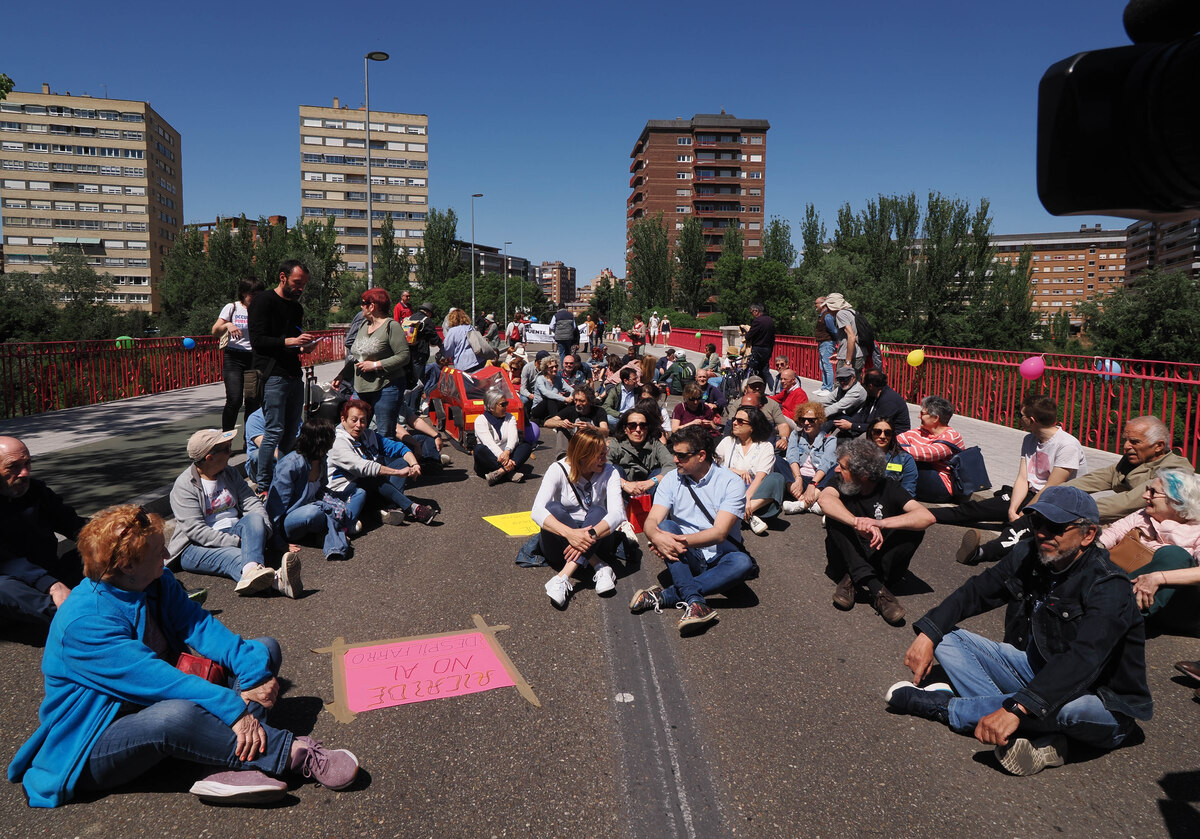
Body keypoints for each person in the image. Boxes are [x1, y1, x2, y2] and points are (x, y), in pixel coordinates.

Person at [7, 504, 359, 808]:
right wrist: (235, 710)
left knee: (262, 651)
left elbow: (201, 627)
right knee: (176, 715)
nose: (166, 556)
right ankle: (290, 755)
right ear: (128, 565)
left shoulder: (156, 581)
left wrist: (252, 672)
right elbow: (158, 681)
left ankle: (224, 765)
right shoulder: (84, 622)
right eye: (158, 551)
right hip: (93, 742)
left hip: (155, 702)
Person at [885, 486, 1151, 777]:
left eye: (1056, 527)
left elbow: (1084, 657)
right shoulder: (1029, 554)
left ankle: (947, 708)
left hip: (1102, 701)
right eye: (1037, 523)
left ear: (1088, 535)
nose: (1042, 532)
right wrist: (928, 635)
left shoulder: (1108, 586)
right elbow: (977, 591)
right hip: (1040, 671)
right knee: (946, 638)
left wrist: (1019, 707)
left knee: (1065, 708)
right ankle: (1031, 730)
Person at [631, 425, 757, 635]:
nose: (675, 460)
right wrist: (656, 536)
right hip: (688, 555)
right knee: (664, 526)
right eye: (674, 454)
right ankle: (695, 602)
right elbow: (652, 520)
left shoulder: (731, 482)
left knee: (741, 563)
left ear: (701, 455)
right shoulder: (672, 479)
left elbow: (719, 533)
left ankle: (666, 596)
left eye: (681, 455)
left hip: (720, 556)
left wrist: (671, 542)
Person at [936, 395, 1086, 550]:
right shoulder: (1030, 439)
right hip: (1030, 494)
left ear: (1031, 420)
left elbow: (1051, 487)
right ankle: (927, 514)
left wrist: (1022, 515)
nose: (1020, 419)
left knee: (1015, 532)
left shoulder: (1067, 445)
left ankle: (981, 552)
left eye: (1021, 416)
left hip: (1054, 502)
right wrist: (1012, 510)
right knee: (977, 509)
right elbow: (1023, 478)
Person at [168, 428, 300, 599]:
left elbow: (251, 502)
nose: (231, 453)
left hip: (235, 530)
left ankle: (259, 574)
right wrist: (239, 542)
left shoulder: (229, 472)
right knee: (237, 556)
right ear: (210, 457)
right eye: (227, 449)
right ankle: (277, 580)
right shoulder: (184, 486)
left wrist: (263, 528)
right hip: (195, 547)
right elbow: (196, 531)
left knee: (254, 518)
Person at [819, 437, 935, 625]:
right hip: (843, 560)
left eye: (843, 467)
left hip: (880, 564)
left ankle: (854, 579)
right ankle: (877, 590)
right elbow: (825, 500)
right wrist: (856, 522)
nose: (837, 469)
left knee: (914, 528)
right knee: (836, 519)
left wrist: (880, 524)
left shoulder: (889, 487)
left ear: (863, 474)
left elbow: (926, 517)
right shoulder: (838, 482)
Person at [533, 427, 624, 608]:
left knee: (599, 511)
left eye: (605, 453)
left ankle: (563, 577)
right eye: (599, 455)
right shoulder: (558, 469)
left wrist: (588, 535)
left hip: (596, 540)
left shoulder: (610, 471)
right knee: (553, 508)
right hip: (561, 545)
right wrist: (570, 534)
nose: (604, 459)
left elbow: (618, 513)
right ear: (582, 455)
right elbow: (536, 511)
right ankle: (599, 565)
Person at [0, 437, 86, 629]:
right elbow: (5, 560)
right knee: (3, 589)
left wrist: (110, 533)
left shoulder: (36, 491)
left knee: (104, 550)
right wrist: (51, 585)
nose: (24, 473)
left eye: (27, 463)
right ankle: (77, 620)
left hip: (50, 572)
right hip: (17, 583)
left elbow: (73, 524)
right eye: (13, 466)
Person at [248, 259, 317, 495]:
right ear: (283, 277)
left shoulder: (296, 308)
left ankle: (284, 477)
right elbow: (257, 341)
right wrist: (291, 342)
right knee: (274, 430)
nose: (301, 288)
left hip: (292, 373)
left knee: (290, 432)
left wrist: (303, 348)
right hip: (271, 374)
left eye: (304, 284)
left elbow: (292, 341)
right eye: (298, 282)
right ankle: (264, 485)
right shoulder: (263, 301)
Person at [1102, 470, 1200, 635]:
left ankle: (1108, 614)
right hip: (1131, 594)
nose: (1145, 496)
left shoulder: (1196, 531)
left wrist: (1157, 577)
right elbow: (1110, 536)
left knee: (1174, 555)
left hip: (1177, 610)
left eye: (1153, 492)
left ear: (1176, 501)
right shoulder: (1142, 515)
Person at [328, 399, 439, 525]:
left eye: (363, 421)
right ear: (343, 420)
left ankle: (388, 507)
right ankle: (413, 508)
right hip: (344, 492)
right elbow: (363, 467)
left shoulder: (369, 435)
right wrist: (397, 473)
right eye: (354, 420)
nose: (359, 425)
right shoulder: (337, 441)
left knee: (401, 462)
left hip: (369, 485)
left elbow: (399, 448)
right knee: (373, 476)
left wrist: (414, 464)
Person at [1062, 415, 1193, 521]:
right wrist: (1056, 493)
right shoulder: (1133, 460)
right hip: (1125, 521)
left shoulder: (1174, 470)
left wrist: (1072, 509)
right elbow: (1096, 479)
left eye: (1135, 442)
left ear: (1158, 446)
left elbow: (1127, 502)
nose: (1126, 446)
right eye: (1126, 440)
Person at [266, 419, 352, 562]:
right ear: (320, 441)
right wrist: (278, 542)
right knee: (313, 512)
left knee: (359, 492)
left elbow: (322, 489)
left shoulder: (321, 458)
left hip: (315, 504)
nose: (333, 442)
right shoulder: (290, 465)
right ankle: (336, 530)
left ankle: (328, 532)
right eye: (331, 438)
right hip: (292, 519)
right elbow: (275, 507)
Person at [333, 288, 410, 441]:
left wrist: (375, 365)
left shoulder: (391, 326)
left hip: (387, 387)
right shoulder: (363, 326)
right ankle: (363, 462)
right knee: (354, 430)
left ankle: (383, 463)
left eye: (363, 303)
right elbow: (356, 356)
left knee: (384, 433)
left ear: (372, 306)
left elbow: (404, 356)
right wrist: (342, 375)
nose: (361, 306)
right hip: (361, 387)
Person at [717, 405, 785, 536]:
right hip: (728, 491)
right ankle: (747, 516)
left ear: (753, 426)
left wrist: (747, 498)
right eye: (734, 419)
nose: (734, 423)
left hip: (754, 493)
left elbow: (760, 477)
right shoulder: (728, 441)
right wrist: (733, 470)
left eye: (740, 421)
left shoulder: (765, 447)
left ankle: (740, 513)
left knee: (777, 478)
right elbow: (711, 467)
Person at [212, 276, 266, 432]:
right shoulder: (232, 308)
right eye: (253, 294)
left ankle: (249, 438)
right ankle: (226, 438)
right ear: (243, 293)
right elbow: (214, 331)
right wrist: (228, 324)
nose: (256, 298)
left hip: (254, 358)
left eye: (259, 295)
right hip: (234, 358)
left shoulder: (261, 309)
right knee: (234, 400)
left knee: (253, 401)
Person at [897, 395, 965, 503]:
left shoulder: (952, 436)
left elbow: (928, 454)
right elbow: (896, 441)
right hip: (924, 482)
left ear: (935, 418)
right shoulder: (920, 431)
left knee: (911, 461)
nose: (919, 416)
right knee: (898, 458)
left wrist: (897, 449)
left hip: (941, 487)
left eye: (922, 413)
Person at [609, 407, 673, 506]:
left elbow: (671, 465)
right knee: (615, 470)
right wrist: (624, 484)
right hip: (623, 491)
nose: (638, 430)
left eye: (643, 426)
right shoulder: (616, 444)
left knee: (660, 472)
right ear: (625, 429)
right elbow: (603, 464)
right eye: (632, 426)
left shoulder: (655, 444)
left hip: (649, 490)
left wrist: (652, 482)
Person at [783, 401, 838, 515]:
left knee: (837, 468)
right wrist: (798, 478)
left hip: (817, 481)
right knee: (777, 461)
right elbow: (791, 456)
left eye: (811, 420)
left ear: (819, 420)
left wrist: (813, 484)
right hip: (798, 479)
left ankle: (802, 504)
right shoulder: (795, 435)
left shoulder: (829, 439)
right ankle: (807, 501)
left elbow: (826, 463)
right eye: (803, 420)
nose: (806, 423)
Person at [474, 390, 532, 485]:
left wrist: (507, 451)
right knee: (479, 449)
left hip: (507, 455)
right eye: (503, 404)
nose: (506, 407)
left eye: (507, 403)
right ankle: (509, 472)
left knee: (526, 446)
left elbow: (514, 438)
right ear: (492, 406)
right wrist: (504, 457)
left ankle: (500, 472)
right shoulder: (480, 420)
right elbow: (489, 443)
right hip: (490, 460)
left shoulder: (510, 417)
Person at [832, 369, 910, 439]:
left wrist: (851, 426)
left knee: (862, 439)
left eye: (863, 384)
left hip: (889, 433)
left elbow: (877, 425)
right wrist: (847, 423)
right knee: (840, 426)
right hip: (872, 427)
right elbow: (862, 415)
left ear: (870, 386)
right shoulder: (872, 395)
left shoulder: (889, 400)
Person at [725, 377, 791, 451]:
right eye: (753, 386)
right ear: (746, 388)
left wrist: (784, 439)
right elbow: (730, 426)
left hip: (767, 444)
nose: (757, 388)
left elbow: (782, 424)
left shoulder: (772, 404)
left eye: (759, 386)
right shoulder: (737, 404)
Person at [824, 292, 878, 375]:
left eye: (827, 306)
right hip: (860, 355)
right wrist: (839, 354)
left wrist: (847, 362)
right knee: (854, 384)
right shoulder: (852, 312)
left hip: (851, 358)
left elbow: (851, 336)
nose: (827, 309)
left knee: (841, 385)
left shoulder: (841, 314)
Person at [867, 417, 918, 497]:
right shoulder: (858, 455)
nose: (882, 436)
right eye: (877, 432)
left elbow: (908, 492)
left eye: (887, 433)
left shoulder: (905, 459)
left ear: (892, 435)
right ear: (871, 433)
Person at [531, 355, 572, 423]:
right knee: (550, 399)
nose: (555, 369)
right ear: (545, 369)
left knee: (568, 394)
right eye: (551, 367)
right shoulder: (540, 379)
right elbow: (546, 393)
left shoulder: (558, 379)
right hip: (539, 409)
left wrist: (571, 397)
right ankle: (555, 422)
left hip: (552, 407)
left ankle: (570, 417)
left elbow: (571, 389)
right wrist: (564, 399)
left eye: (556, 366)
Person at [740, 302, 775, 381]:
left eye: (752, 312)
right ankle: (772, 389)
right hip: (768, 349)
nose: (752, 314)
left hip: (758, 348)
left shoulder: (757, 321)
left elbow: (749, 335)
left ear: (756, 311)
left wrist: (746, 335)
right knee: (765, 370)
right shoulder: (770, 320)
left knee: (752, 368)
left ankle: (749, 387)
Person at [442, 308, 484, 373]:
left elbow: (448, 351)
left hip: (464, 364)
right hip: (479, 360)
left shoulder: (453, 331)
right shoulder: (470, 327)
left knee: (466, 383)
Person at [814, 296, 838, 395]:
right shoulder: (822, 315)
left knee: (827, 365)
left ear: (823, 304)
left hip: (827, 343)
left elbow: (833, 330)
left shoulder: (827, 316)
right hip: (823, 343)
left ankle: (828, 388)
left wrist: (836, 340)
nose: (815, 305)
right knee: (822, 365)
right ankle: (824, 386)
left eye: (816, 303)